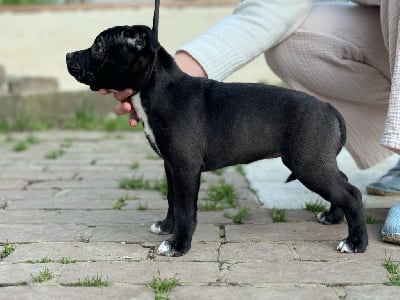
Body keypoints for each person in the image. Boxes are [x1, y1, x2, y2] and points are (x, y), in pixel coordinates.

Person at [100, 0, 400, 244]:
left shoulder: (303, 115)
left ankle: (353, 222)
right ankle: (337, 204)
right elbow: (275, 6)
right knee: (289, 41)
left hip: (302, 119)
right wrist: (188, 66)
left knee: (313, 170)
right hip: (374, 30)